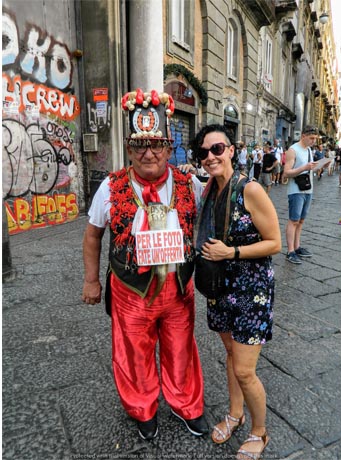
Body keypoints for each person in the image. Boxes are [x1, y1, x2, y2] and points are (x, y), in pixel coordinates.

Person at [82, 88, 208, 441]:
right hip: (130, 290)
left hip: (177, 287)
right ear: (129, 149)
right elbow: (92, 236)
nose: (148, 153)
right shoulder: (110, 187)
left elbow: (218, 209)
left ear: (169, 148)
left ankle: (187, 404)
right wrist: (92, 281)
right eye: (140, 145)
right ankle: (142, 408)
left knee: (181, 349)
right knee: (134, 354)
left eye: (156, 145)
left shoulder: (190, 185)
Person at [191, 124, 281, 459]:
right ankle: (235, 413)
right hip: (220, 286)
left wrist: (232, 253)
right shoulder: (210, 190)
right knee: (231, 356)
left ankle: (259, 432)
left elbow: (275, 242)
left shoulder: (250, 189)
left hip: (250, 289)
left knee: (245, 369)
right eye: (203, 152)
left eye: (217, 149)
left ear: (231, 150)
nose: (210, 157)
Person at [283, 125, 321, 264]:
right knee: (293, 220)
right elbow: (286, 172)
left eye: (315, 139)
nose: (313, 141)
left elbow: (311, 169)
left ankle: (297, 247)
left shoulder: (309, 150)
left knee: (301, 221)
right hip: (296, 190)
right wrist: (304, 167)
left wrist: (319, 167)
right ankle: (290, 251)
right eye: (311, 138)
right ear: (303, 135)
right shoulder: (293, 150)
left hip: (308, 189)